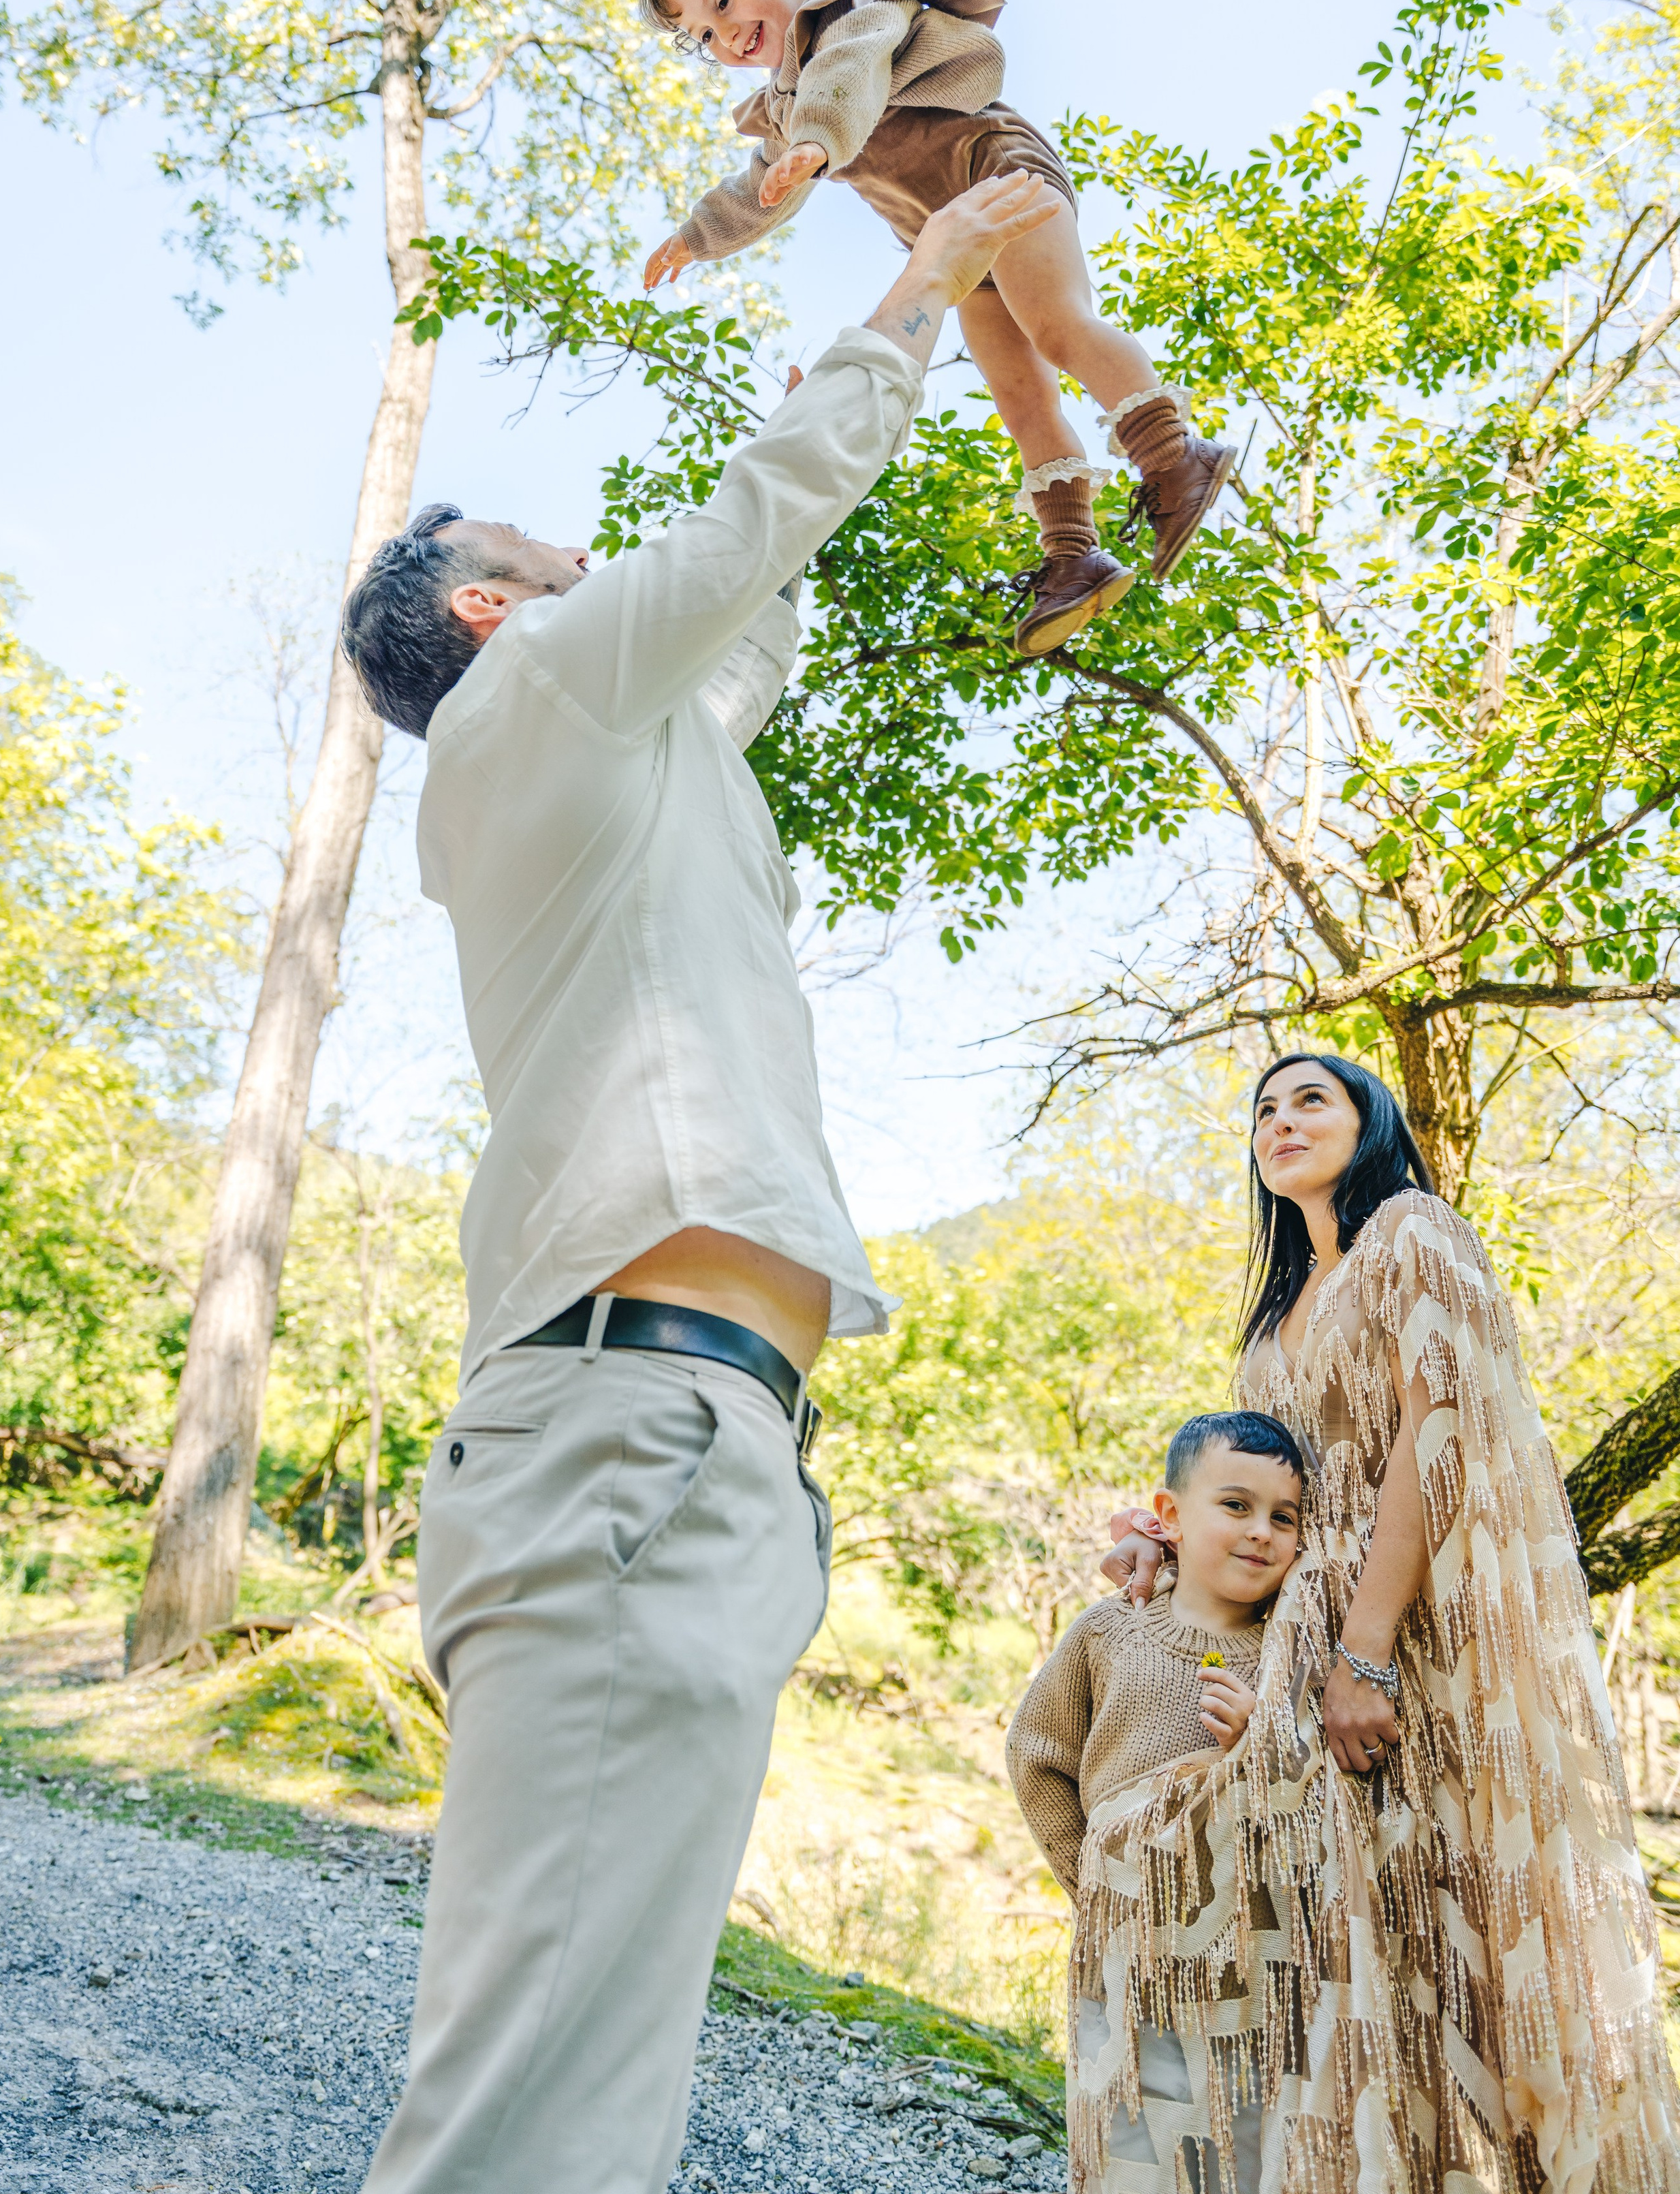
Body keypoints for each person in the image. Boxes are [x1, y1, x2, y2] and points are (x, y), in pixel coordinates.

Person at [336, 169, 1061, 2194]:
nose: (584, 556)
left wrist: (907, 313)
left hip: (681, 1443)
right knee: (523, 2124)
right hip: (626, 1441)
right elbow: (755, 523)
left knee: (588, 2106)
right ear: (487, 613)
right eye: (539, 548)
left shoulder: (606, 742)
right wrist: (920, 275)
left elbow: (760, 604)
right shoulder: (528, 698)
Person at [1092, 1054, 1680, 2194]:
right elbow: (1253, 1484)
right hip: (1293, 1656)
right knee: (1333, 1940)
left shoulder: (1411, 1232)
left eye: (1311, 1096)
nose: (1280, 1119)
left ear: (1372, 1121)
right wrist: (1160, 1538)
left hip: (1409, 1639)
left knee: (1436, 1911)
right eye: (1262, 1108)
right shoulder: (1275, 1310)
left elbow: (1438, 1435)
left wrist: (1364, 1653)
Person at [635, 0, 1236, 660]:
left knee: (1059, 326)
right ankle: (1073, 556)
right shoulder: (783, 104)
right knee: (1019, 396)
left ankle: (1174, 458)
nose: (726, 33)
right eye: (703, 33)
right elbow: (760, 187)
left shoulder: (852, 10)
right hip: (951, 238)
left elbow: (849, 76)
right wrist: (699, 235)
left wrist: (812, 144)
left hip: (993, 171)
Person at [1007, 1411, 1305, 2194]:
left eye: (1284, 1517)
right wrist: (1092, 1882)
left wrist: (1261, 1739)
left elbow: (1315, 1805)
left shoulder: (1289, 1656)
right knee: (1129, 2131)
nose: (1260, 1533)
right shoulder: (1112, 1631)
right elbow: (1038, 1754)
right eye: (1235, 1506)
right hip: (1124, 1953)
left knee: (1235, 2142)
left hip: (1243, 1970)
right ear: (1168, 1517)